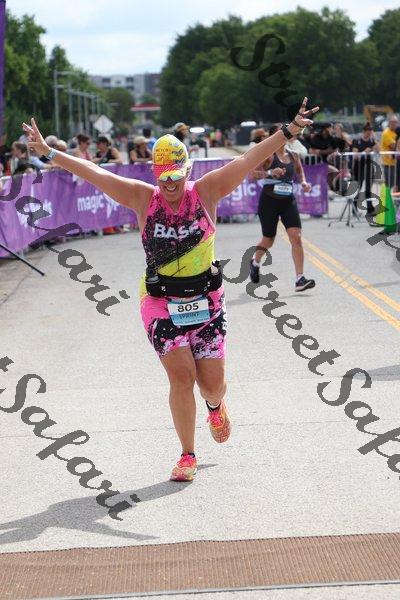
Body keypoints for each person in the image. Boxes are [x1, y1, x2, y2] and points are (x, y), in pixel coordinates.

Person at [23, 97, 318, 482]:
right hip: (160, 303)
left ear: (187, 170)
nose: (171, 185)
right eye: (165, 179)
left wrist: (289, 131)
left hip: (207, 301)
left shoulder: (207, 191)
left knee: (211, 385)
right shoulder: (142, 198)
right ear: (155, 174)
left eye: (177, 177)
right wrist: (49, 153)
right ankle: (187, 455)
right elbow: (95, 172)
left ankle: (215, 405)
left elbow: (249, 159)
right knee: (181, 377)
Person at [249, 124, 315, 292]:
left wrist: (304, 183)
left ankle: (300, 279)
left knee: (296, 237)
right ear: (274, 137)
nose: (286, 135)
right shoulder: (267, 156)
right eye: (282, 133)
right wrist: (270, 173)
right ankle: (255, 261)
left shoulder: (293, 155)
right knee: (268, 240)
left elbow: (299, 172)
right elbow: (252, 175)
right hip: (269, 201)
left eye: (287, 133)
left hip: (288, 201)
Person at [351, 123, 378, 215]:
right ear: (364, 132)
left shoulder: (371, 140)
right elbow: (355, 156)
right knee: (358, 187)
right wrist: (364, 152)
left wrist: (374, 139)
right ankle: (354, 207)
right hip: (358, 167)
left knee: (368, 188)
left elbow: (378, 149)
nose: (369, 134)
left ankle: (370, 208)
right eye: (367, 132)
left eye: (370, 132)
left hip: (369, 166)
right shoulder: (357, 141)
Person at [380, 115, 399, 189]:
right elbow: (394, 146)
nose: (394, 124)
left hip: (396, 163)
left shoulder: (397, 132)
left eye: (396, 122)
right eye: (392, 122)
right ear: (389, 123)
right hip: (388, 163)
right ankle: (388, 196)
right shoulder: (386, 133)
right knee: (390, 185)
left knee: (397, 185)